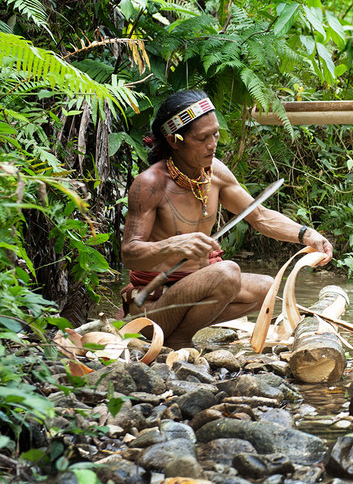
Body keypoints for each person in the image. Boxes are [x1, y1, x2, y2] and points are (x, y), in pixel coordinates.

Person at [120, 89, 333, 348]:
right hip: (155, 307)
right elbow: (129, 253)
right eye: (202, 138)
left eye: (215, 134)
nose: (213, 144)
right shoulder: (150, 184)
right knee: (228, 272)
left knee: (267, 288)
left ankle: (186, 333)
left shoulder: (215, 172)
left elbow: (260, 217)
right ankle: (177, 339)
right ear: (175, 141)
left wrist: (307, 235)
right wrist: (173, 245)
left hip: (202, 292)